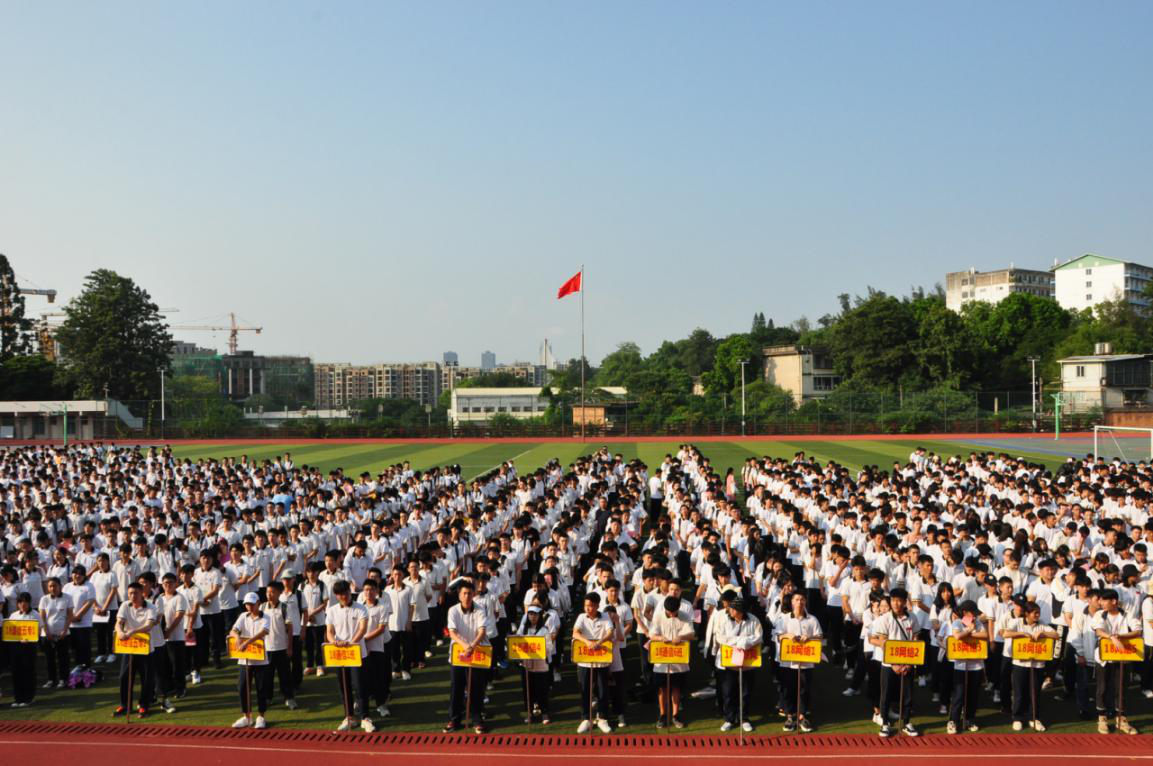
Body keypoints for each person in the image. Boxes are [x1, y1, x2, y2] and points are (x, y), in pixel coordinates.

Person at [869, 588, 920, 737]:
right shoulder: (885, 619)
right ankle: (885, 723)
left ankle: (906, 722)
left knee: (908, 694)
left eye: (899, 600)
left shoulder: (912, 618)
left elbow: (915, 639)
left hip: (908, 662)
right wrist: (894, 664)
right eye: (893, 600)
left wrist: (910, 663)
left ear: (905, 602)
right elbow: (884, 643)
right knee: (886, 694)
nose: (896, 603)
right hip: (889, 664)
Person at [1091, 588, 1141, 734]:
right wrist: (1112, 637)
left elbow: (1138, 630)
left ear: (1114, 601)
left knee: (1121, 687)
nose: (1101, 602)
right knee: (1103, 687)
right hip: (1103, 657)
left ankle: (1122, 719)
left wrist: (1122, 637)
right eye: (1100, 600)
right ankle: (1102, 718)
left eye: (1104, 600)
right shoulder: (1100, 614)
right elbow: (1098, 630)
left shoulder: (1127, 613)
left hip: (1123, 656)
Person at [1002, 601, 1058, 731]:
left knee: (1035, 692)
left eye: (1038, 612)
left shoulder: (1042, 623)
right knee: (1019, 692)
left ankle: (1034, 717)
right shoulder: (1016, 622)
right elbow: (1005, 633)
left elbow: (1056, 635)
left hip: (1038, 664)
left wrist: (1044, 634)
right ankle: (1017, 717)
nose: (1037, 615)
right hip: (1020, 663)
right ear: (1026, 614)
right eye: (1035, 613)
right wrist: (1022, 634)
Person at [444, 579, 490, 734]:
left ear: (474, 594)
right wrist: (465, 646)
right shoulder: (453, 610)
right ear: (459, 595)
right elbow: (452, 632)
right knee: (456, 687)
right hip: (458, 654)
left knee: (475, 688)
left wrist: (472, 646)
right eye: (464, 593)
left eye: (470, 593)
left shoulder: (480, 609)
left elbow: (482, 631)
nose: (467, 596)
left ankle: (477, 720)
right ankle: (453, 719)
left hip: (476, 652)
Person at [327, 579, 373, 732]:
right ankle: (349, 717)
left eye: (346, 593)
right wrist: (334, 642)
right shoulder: (332, 610)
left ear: (349, 591)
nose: (344, 596)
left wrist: (351, 643)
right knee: (344, 686)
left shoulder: (361, 608)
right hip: (339, 654)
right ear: (336, 595)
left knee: (360, 686)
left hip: (356, 653)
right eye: (340, 594)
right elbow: (329, 631)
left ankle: (365, 717)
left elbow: (362, 628)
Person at [776, 590, 823, 732]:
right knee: (789, 689)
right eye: (797, 599)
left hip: (806, 661)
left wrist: (810, 638)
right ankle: (790, 716)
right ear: (791, 602)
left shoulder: (812, 619)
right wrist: (786, 635)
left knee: (804, 689)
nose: (799, 602)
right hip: (788, 661)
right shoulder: (783, 618)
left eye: (802, 599)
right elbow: (777, 637)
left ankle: (802, 716)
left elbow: (820, 636)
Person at [714, 597, 762, 732]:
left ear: (740, 611)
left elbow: (758, 636)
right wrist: (738, 642)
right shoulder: (724, 620)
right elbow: (720, 637)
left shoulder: (753, 620)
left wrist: (746, 642)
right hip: (728, 662)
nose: (730, 610)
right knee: (728, 692)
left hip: (747, 662)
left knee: (745, 692)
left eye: (733, 608)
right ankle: (729, 718)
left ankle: (744, 718)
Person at [649, 593, 694, 729]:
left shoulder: (685, 617)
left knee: (676, 687)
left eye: (675, 612)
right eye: (670, 612)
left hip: (679, 659)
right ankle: (663, 715)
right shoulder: (658, 616)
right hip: (662, 659)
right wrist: (661, 638)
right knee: (662, 688)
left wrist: (681, 636)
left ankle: (675, 715)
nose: (673, 615)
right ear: (666, 610)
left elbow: (692, 634)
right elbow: (651, 634)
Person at [114, 582, 159, 716]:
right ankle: (124, 705)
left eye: (135, 593)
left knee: (146, 678)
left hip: (145, 648)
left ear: (142, 593)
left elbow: (149, 625)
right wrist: (120, 632)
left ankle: (144, 705)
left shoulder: (151, 607)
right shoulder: (125, 605)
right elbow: (118, 622)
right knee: (124, 677)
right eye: (130, 593)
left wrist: (133, 631)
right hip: (129, 648)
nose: (133, 596)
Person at [230, 592, 271, 729]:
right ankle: (247, 716)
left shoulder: (266, 616)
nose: (250, 607)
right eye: (247, 604)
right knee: (242, 686)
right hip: (245, 659)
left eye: (252, 604)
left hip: (260, 659)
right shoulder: (243, 616)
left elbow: (263, 632)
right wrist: (237, 638)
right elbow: (234, 630)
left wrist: (247, 642)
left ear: (258, 603)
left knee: (261, 688)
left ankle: (261, 716)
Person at [946, 599, 987, 734]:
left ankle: (969, 719)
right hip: (961, 665)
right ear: (965, 612)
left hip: (976, 665)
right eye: (972, 613)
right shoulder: (957, 622)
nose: (974, 616)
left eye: (976, 614)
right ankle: (953, 720)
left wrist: (970, 633)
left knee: (973, 694)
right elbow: (957, 636)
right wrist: (969, 630)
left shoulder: (978, 623)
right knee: (959, 694)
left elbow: (985, 635)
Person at [359, 578, 393, 720]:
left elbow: (381, 629)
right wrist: (362, 642)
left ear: (377, 591)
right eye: (366, 589)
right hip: (361, 649)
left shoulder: (383, 607)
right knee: (363, 678)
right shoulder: (358, 607)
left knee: (379, 677)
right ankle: (361, 704)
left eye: (372, 589)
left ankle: (381, 704)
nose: (369, 592)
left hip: (377, 648)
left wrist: (364, 639)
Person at [262, 580, 298, 711]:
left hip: (281, 648)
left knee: (285, 675)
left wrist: (289, 647)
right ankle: (267, 698)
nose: (269, 594)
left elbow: (290, 628)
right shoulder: (261, 608)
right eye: (267, 592)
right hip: (266, 649)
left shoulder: (284, 607)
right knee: (267, 675)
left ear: (279, 593)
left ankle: (289, 698)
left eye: (272, 592)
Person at [515, 604, 553, 724]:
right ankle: (530, 713)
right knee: (527, 690)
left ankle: (544, 713)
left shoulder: (544, 630)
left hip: (541, 666)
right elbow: (517, 642)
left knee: (542, 690)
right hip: (526, 665)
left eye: (535, 614)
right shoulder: (522, 629)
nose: (533, 617)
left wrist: (538, 650)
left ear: (539, 616)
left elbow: (549, 647)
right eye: (530, 614)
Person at [38, 576, 73, 689]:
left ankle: (63, 679)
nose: (52, 588)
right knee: (49, 658)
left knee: (63, 658)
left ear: (60, 586)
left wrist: (64, 630)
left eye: (55, 586)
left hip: (63, 634)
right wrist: (46, 631)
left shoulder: (67, 597)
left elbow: (69, 615)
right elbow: (42, 616)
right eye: (50, 586)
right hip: (47, 634)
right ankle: (51, 680)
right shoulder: (44, 599)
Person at [7, 592, 40, 706]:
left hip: (29, 647)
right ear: (17, 603)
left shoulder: (35, 614)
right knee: (16, 672)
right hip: (16, 647)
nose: (23, 604)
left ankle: (28, 698)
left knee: (28, 671)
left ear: (29, 602)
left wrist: (29, 639)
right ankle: (18, 698)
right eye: (20, 602)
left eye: (25, 601)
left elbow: (38, 631)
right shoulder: (13, 615)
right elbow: (9, 632)